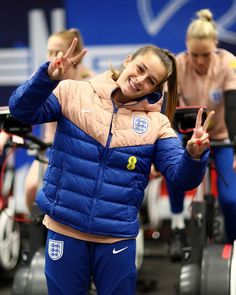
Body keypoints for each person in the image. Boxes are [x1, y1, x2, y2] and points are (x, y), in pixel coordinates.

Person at [8, 38, 214, 295]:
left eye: (151, 80)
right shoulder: (72, 91)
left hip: (116, 238)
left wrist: (193, 155)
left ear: (157, 88)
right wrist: (46, 78)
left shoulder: (158, 124)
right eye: (140, 69)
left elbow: (181, 178)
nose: (141, 80)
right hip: (65, 229)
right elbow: (20, 111)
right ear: (127, 61)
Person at [167, 8, 236, 262]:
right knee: (173, 174)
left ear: (215, 47)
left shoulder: (228, 62)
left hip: (221, 135)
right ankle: (176, 228)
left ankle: (233, 246)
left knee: (231, 201)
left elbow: (232, 109)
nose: (199, 61)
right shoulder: (176, 64)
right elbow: (167, 110)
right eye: (194, 54)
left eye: (205, 54)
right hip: (187, 138)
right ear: (186, 48)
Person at [24, 28, 94, 212]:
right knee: (31, 187)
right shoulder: (43, 78)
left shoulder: (91, 82)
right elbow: (21, 109)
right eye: (50, 52)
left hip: (82, 154)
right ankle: (36, 230)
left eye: (58, 51)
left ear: (75, 54)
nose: (53, 57)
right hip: (48, 151)